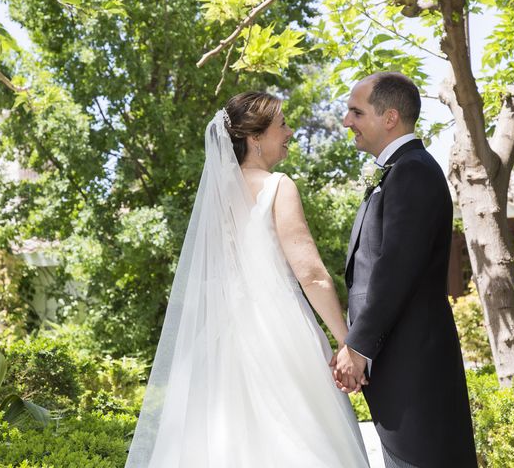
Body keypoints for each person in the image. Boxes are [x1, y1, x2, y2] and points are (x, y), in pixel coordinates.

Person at [125, 91, 369, 467]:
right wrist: (346, 343)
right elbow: (312, 274)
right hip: (279, 332)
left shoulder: (216, 197)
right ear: (255, 138)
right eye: (282, 125)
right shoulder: (277, 186)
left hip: (223, 335)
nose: (290, 131)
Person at [332, 72, 477, 468]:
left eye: (355, 112)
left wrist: (357, 346)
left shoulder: (412, 171)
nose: (347, 121)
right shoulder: (400, 170)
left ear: (390, 117)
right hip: (399, 358)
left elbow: (394, 271)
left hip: (414, 364)